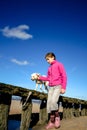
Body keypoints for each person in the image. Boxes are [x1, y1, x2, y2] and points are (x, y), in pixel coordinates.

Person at [37, 52, 67, 129]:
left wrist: (63, 87)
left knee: (54, 102)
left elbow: (64, 76)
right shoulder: (49, 68)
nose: (47, 61)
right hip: (51, 87)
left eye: (48, 59)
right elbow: (48, 78)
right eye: (46, 60)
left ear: (53, 57)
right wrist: (40, 77)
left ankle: (57, 119)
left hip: (58, 86)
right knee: (49, 104)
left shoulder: (59, 64)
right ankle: (52, 122)